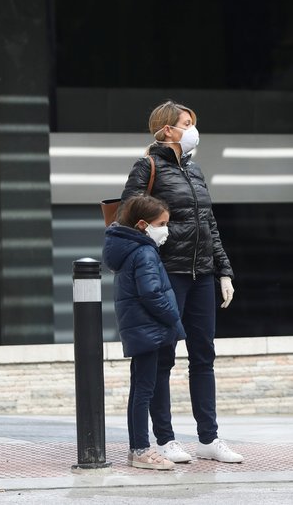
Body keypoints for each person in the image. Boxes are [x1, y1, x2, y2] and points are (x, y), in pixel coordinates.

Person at [120, 100, 243, 464]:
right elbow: (131, 216)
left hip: (201, 274)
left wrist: (224, 270)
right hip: (166, 273)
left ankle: (209, 438)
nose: (192, 129)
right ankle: (165, 439)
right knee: (163, 359)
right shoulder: (147, 166)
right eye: (186, 123)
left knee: (203, 356)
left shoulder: (195, 170)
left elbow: (209, 224)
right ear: (166, 130)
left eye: (192, 122)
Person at [103, 194, 188, 470]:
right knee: (144, 391)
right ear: (142, 224)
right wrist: (173, 316)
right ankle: (141, 450)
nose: (166, 229)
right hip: (149, 331)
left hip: (140, 330)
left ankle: (136, 449)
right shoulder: (145, 251)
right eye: (162, 223)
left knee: (139, 390)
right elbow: (151, 293)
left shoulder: (129, 249)